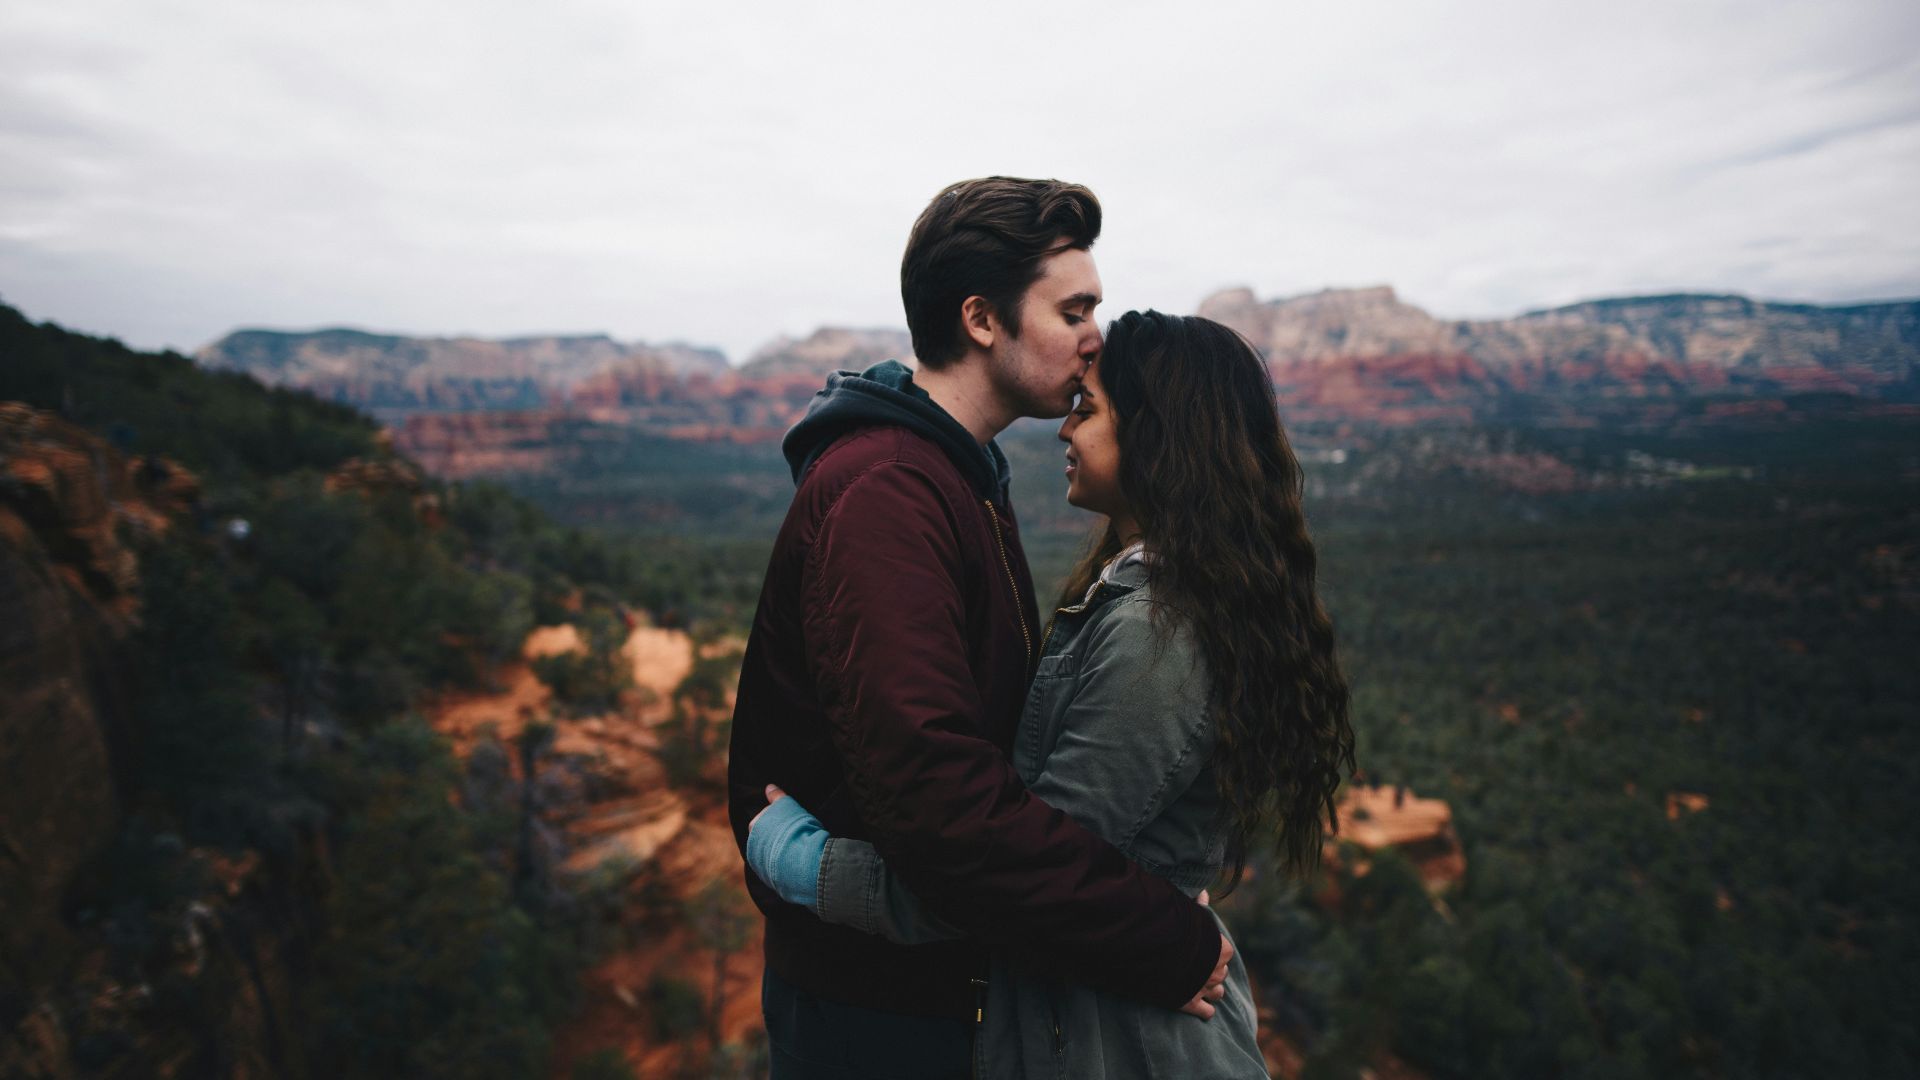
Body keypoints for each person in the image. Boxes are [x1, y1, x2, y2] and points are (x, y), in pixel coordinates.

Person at [747, 309, 1357, 1077]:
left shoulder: (1155, 632)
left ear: (1160, 436)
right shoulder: (1144, 596)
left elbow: (1018, 880)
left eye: (1088, 410)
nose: (1065, 431)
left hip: (1127, 1046)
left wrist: (809, 866)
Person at [726, 180, 1234, 1079]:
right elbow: (941, 801)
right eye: (1072, 309)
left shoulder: (959, 476)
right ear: (981, 318)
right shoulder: (889, 492)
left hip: (940, 987)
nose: (1094, 337)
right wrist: (1160, 932)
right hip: (877, 1015)